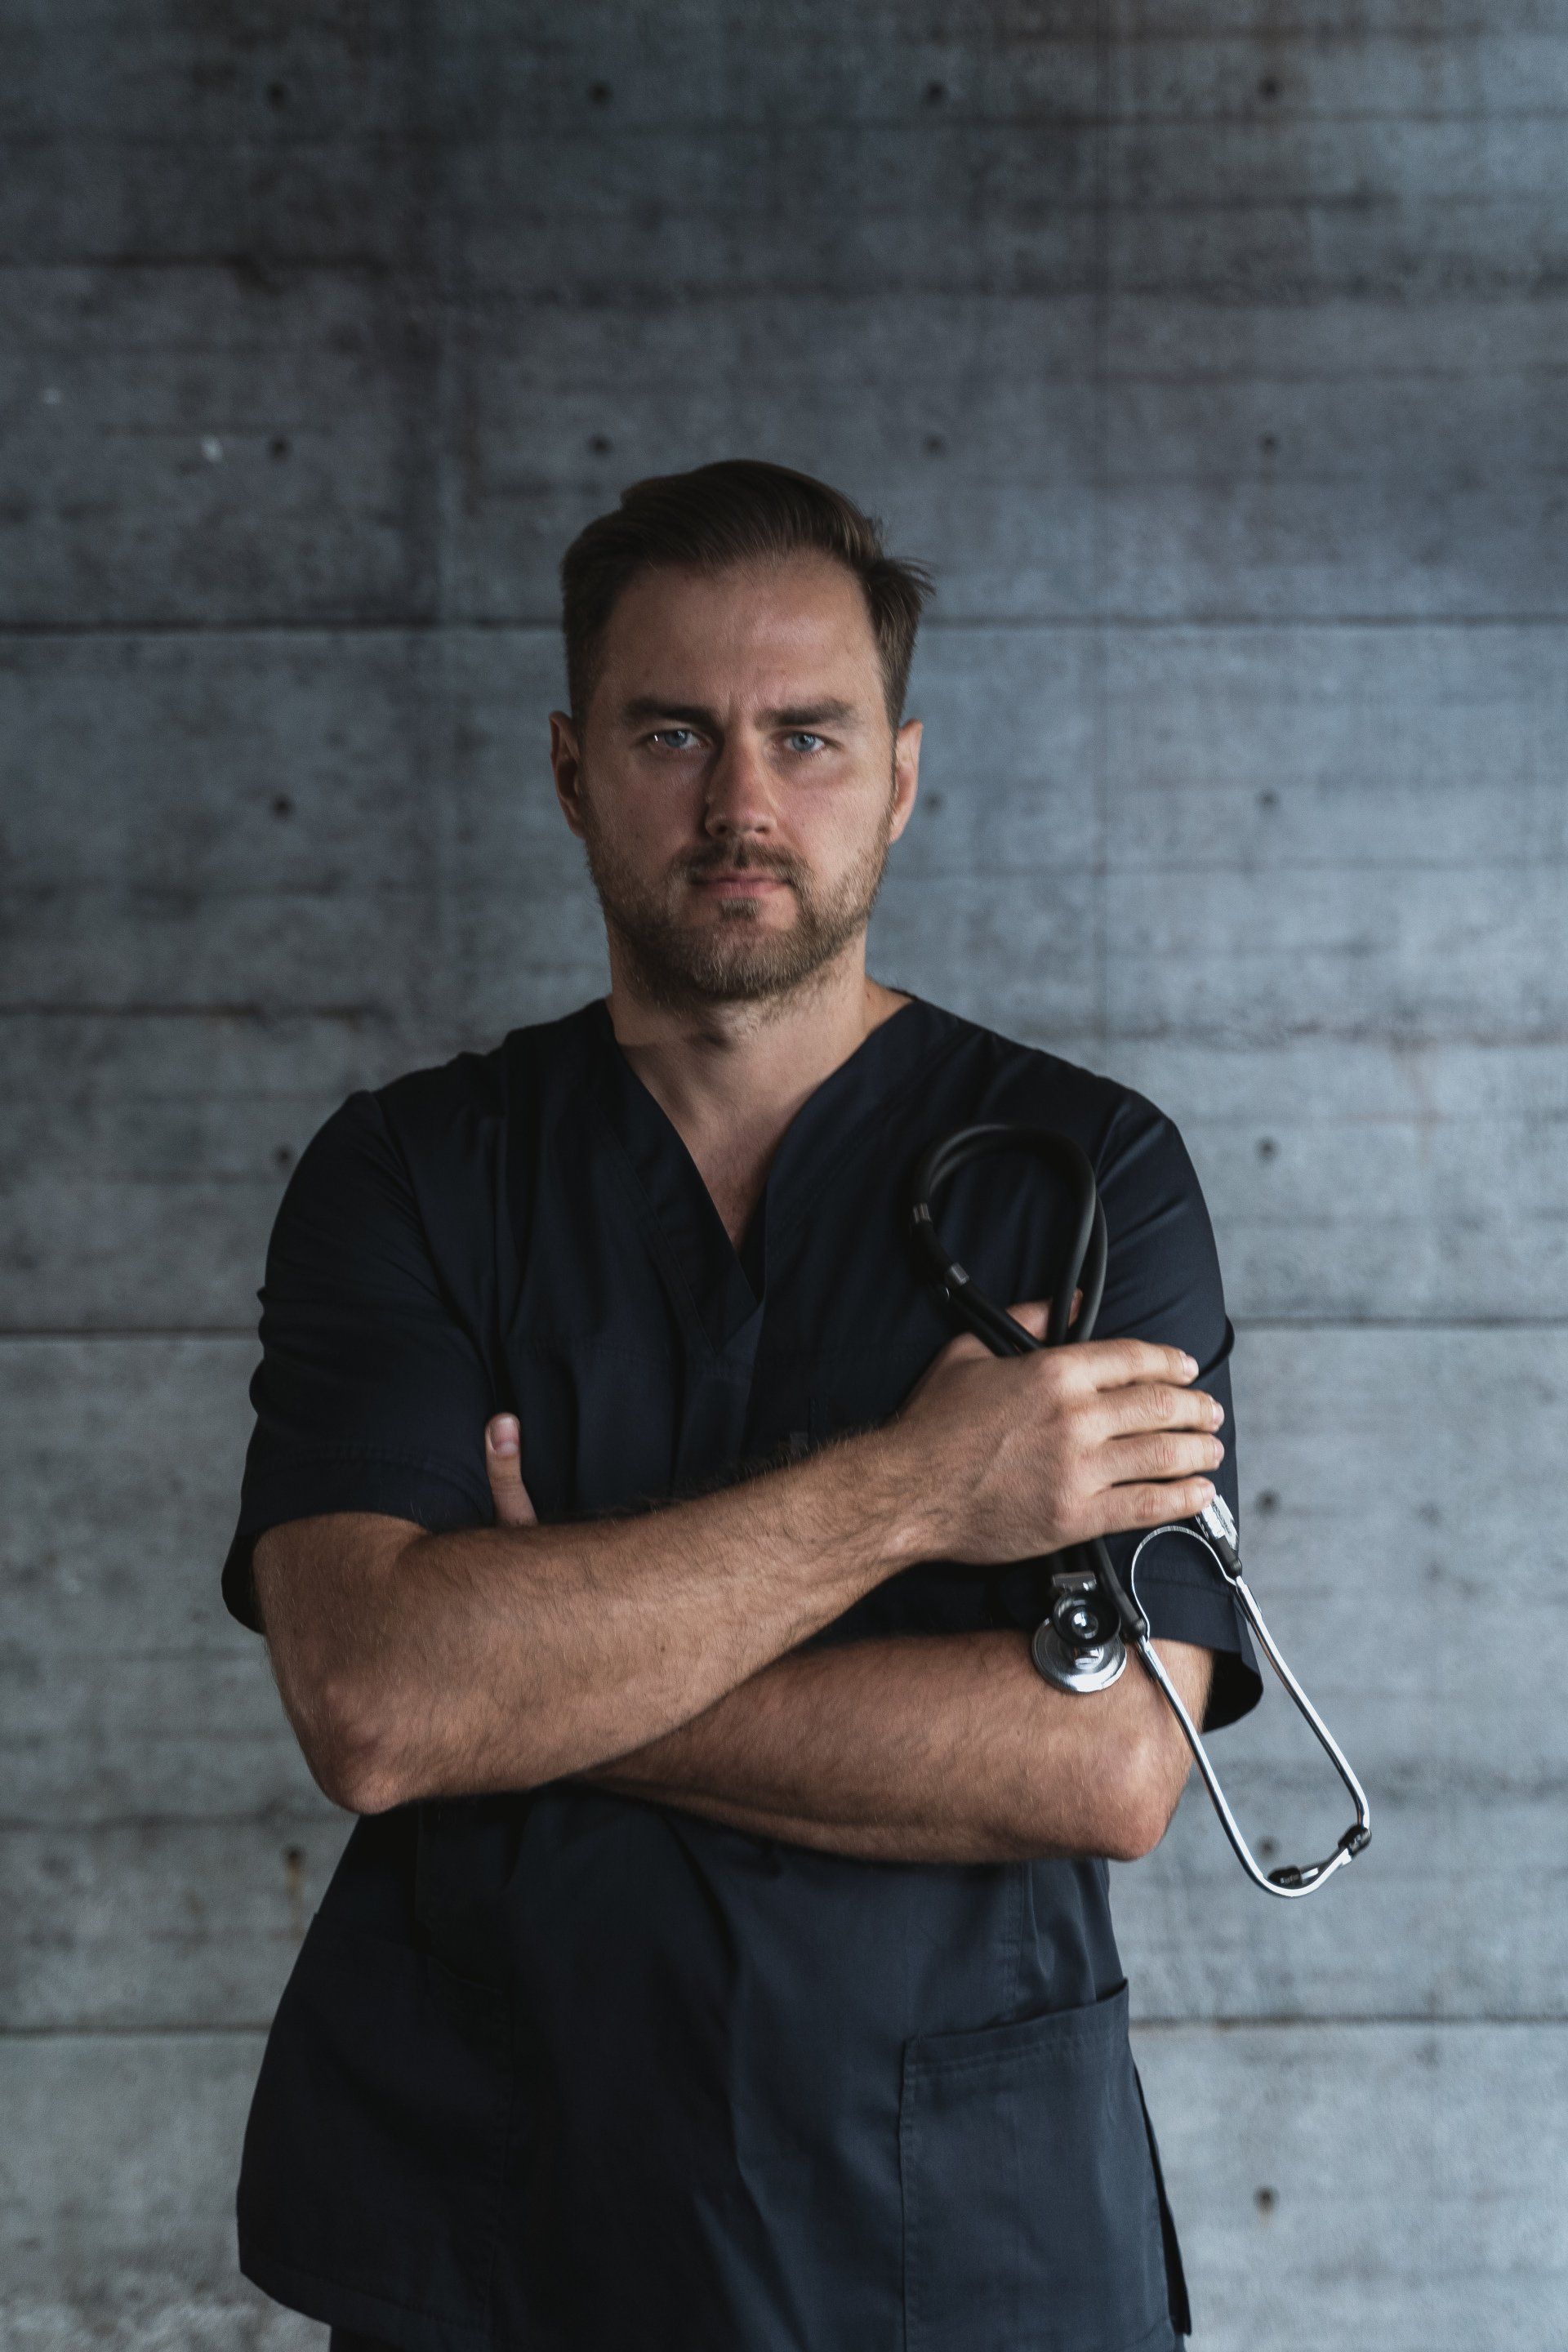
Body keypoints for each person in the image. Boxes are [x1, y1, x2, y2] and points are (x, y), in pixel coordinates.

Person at [222, 459, 1261, 2352]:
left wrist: (540, 1684)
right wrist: (915, 1494)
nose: (742, 803)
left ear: (905, 773)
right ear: (566, 767)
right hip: (501, 2227)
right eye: (673, 733)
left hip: (957, 2234)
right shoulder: (414, 1179)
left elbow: (1102, 1765)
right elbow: (379, 1705)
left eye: (806, 735)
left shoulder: (1085, 1180)